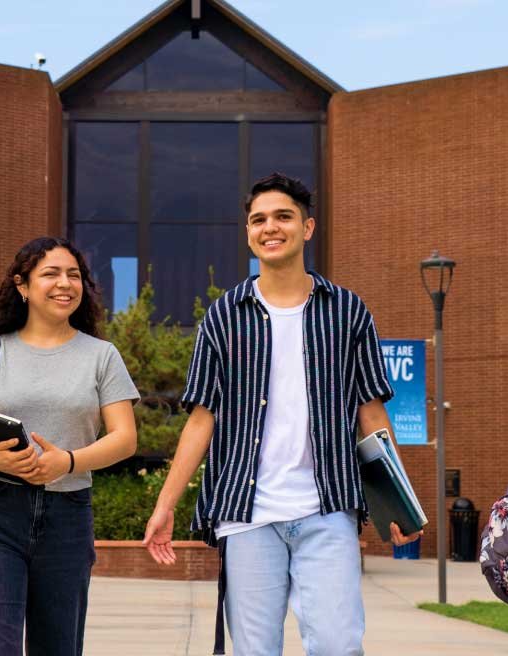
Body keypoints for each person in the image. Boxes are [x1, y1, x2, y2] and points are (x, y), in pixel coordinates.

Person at [142, 173, 421, 655]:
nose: (270, 227)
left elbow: (370, 413)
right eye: (258, 220)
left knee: (338, 644)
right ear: (249, 233)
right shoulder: (224, 315)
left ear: (307, 228)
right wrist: (165, 504)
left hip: (327, 508)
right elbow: (201, 419)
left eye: (283, 217)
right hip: (246, 515)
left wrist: (397, 501)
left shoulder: (349, 312)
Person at [0, 236, 139, 655]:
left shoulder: (101, 356)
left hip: (67, 517)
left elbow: (124, 438)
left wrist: (67, 461)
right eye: (50, 274)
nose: (64, 283)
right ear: (22, 285)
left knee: (59, 648)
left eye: (74, 275)